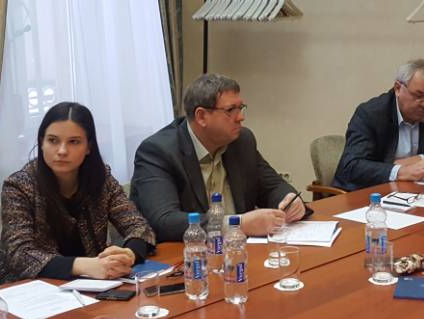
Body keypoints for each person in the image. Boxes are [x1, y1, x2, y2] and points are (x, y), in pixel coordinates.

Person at [0, 102, 156, 281]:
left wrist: (129, 254)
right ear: (41, 143)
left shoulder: (101, 179)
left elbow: (139, 227)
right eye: (53, 140)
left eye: (74, 142)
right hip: (26, 288)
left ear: (89, 147)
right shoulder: (19, 186)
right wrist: (84, 265)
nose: (62, 151)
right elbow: (19, 254)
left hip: (91, 286)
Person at [130, 74, 303, 242]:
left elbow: (272, 187)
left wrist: (289, 199)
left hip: (238, 250)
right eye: (231, 110)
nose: (241, 117)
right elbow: (164, 221)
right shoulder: (158, 151)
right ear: (201, 116)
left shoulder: (241, 141)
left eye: (241, 108)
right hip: (187, 254)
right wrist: (238, 224)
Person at [331, 59, 424, 191]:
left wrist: (420, 159)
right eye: (418, 96)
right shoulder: (371, 113)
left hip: (411, 194)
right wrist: (400, 171)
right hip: (365, 194)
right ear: (398, 88)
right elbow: (352, 165)